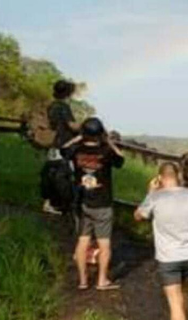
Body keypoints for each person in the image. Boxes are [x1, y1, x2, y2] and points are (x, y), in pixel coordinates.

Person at [134, 162, 188, 320]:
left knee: (174, 302)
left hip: (168, 257)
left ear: (159, 178)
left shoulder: (155, 197)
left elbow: (138, 216)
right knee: (185, 295)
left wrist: (150, 193)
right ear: (179, 175)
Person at [62, 117, 125, 291]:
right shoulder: (105, 151)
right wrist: (110, 142)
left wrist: (78, 137)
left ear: (84, 133)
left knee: (82, 241)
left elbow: (63, 149)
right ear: (100, 133)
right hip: (102, 203)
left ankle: (82, 281)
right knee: (104, 244)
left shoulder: (76, 150)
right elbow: (121, 159)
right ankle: (102, 280)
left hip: (83, 202)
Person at [42, 79, 80, 215]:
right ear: (68, 93)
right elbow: (71, 125)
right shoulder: (63, 107)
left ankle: (49, 202)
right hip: (64, 143)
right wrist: (87, 126)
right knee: (63, 174)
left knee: (50, 171)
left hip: (53, 142)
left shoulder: (51, 106)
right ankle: (66, 204)